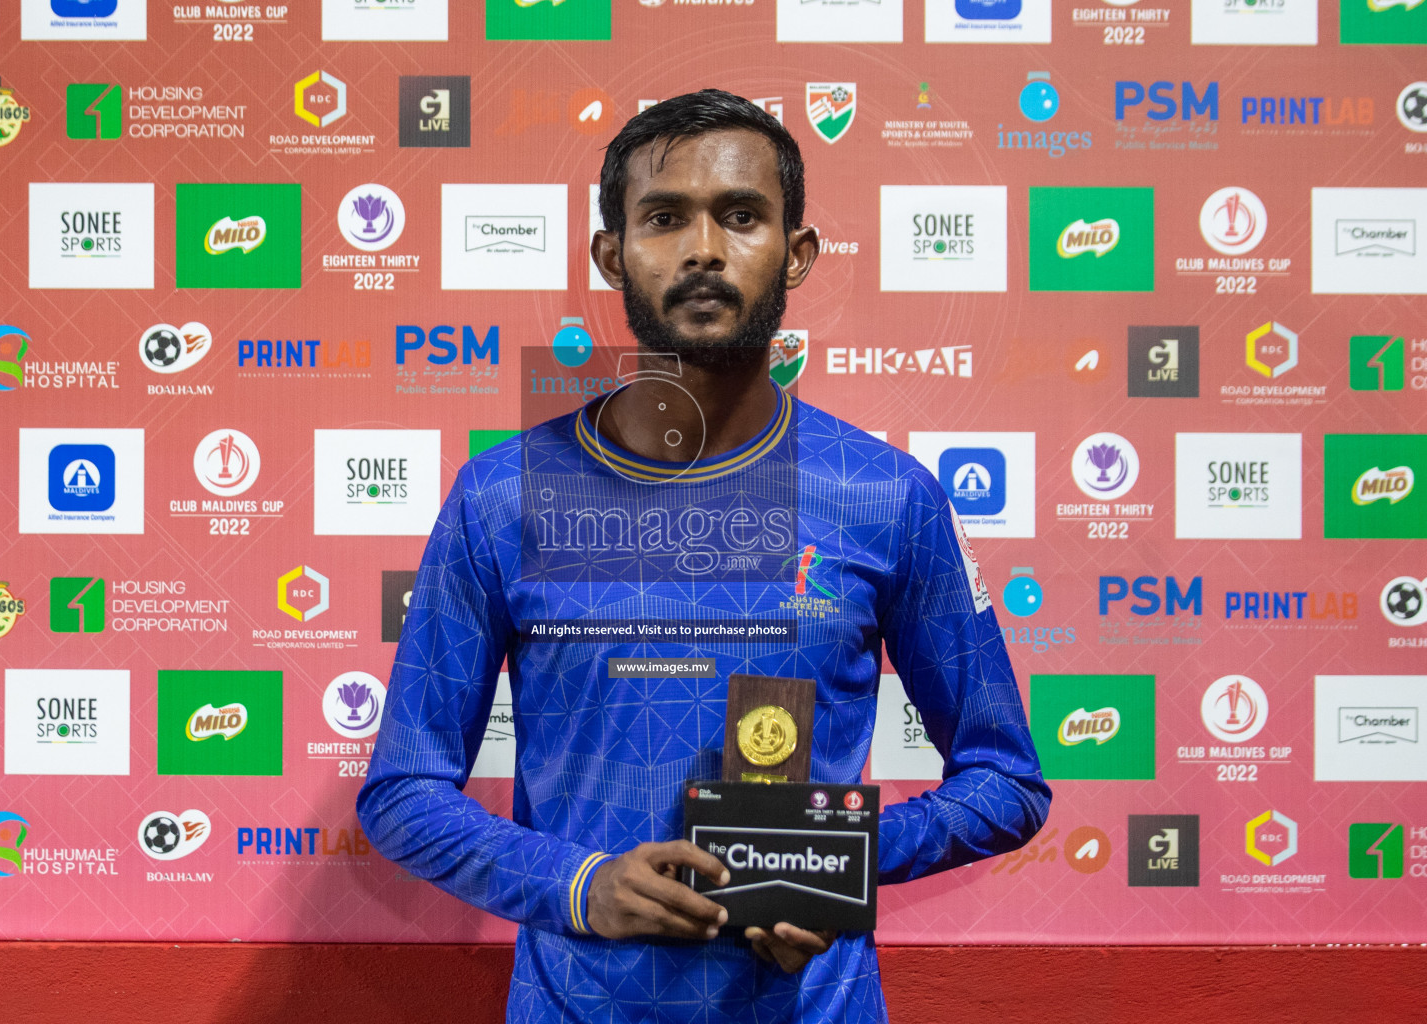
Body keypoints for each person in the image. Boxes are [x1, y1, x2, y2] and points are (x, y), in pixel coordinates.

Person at [358, 88, 1049, 1023]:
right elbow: (402, 792)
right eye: (663, 217)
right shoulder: (504, 495)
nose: (704, 249)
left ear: (796, 253)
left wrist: (831, 870)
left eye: (741, 215)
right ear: (612, 254)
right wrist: (577, 886)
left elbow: (1006, 781)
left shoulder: (887, 497)